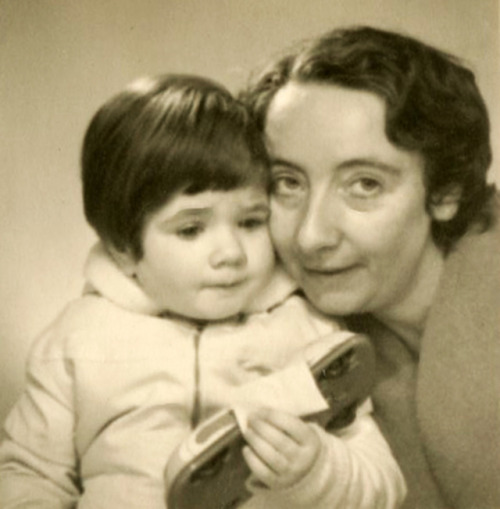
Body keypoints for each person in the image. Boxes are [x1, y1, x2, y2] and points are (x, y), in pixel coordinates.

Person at [0, 74, 406, 508]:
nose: (230, 253)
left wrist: (319, 471)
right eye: (191, 229)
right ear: (123, 248)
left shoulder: (308, 328)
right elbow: (30, 474)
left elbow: (384, 481)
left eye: (250, 222)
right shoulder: (77, 340)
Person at [241, 25, 500, 509]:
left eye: (364, 185)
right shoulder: (297, 335)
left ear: (446, 192)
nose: (311, 236)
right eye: (288, 183)